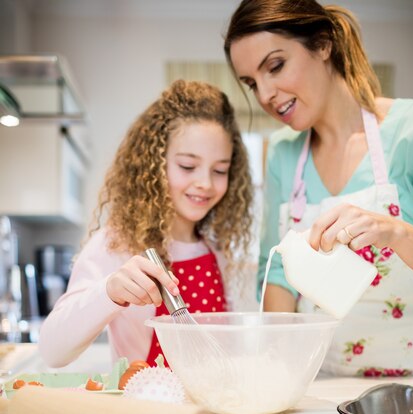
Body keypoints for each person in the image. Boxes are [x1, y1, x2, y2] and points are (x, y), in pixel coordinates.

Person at [224, 0, 413, 376]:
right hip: (319, 386)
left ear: (323, 44)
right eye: (251, 83)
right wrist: (276, 370)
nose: (264, 95)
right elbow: (277, 273)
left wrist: (395, 231)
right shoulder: (283, 153)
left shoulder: (408, 132)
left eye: (275, 66)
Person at [39, 80, 253, 367]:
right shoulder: (115, 245)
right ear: (155, 162)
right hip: (145, 410)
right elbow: (52, 351)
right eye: (187, 166)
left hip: (210, 411)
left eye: (219, 170)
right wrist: (109, 292)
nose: (205, 183)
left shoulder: (218, 253)